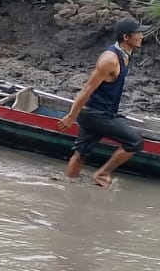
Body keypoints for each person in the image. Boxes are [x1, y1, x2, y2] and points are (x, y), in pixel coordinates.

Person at [57, 16, 148, 187]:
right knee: (135, 142)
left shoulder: (126, 55)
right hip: (96, 115)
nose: (142, 36)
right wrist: (71, 116)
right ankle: (102, 173)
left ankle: (69, 187)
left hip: (99, 113)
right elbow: (87, 89)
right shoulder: (110, 60)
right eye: (138, 34)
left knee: (81, 154)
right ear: (126, 37)